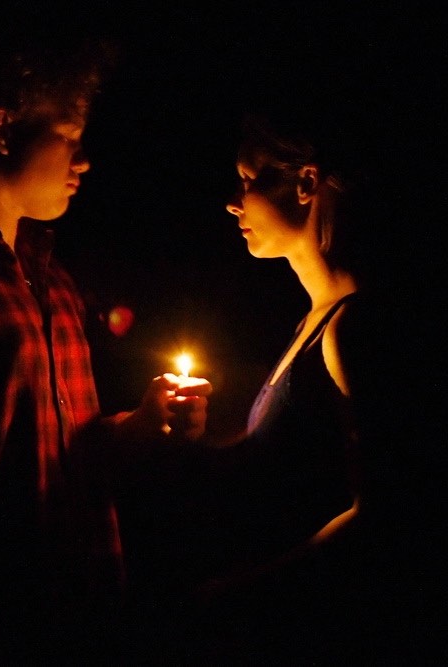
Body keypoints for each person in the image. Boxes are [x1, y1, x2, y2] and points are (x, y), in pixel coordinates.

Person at [0, 38, 212, 663]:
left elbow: (64, 451)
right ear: (2, 131)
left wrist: (140, 428)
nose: (85, 160)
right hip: (7, 624)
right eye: (69, 136)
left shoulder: (54, 281)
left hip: (89, 616)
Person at [123, 111, 378, 662]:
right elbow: (283, 472)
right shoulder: (312, 322)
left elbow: (381, 514)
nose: (232, 202)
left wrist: (237, 595)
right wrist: (187, 437)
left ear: (306, 183)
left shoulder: (350, 329)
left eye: (248, 180)